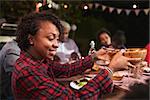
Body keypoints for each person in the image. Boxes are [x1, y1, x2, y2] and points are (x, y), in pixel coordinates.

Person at [12, 11, 141, 99]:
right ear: (31, 39)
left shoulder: (38, 61)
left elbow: (66, 69)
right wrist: (110, 69)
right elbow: (75, 98)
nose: (56, 44)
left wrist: (94, 57)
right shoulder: (28, 72)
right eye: (51, 38)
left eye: (58, 39)